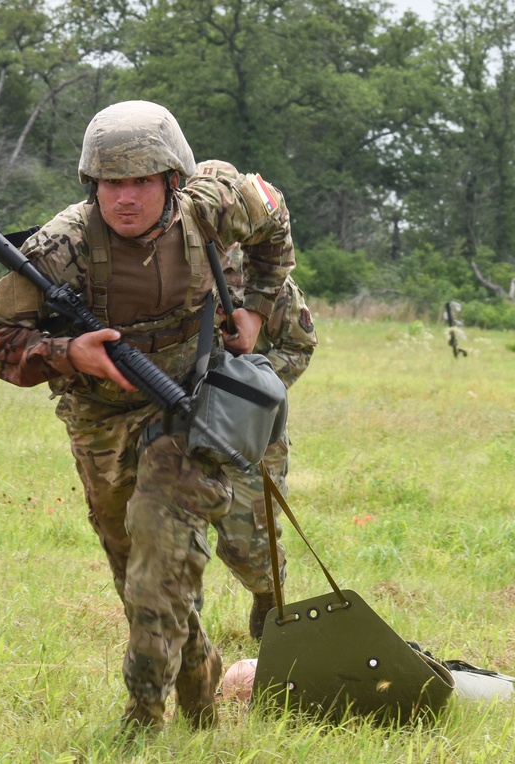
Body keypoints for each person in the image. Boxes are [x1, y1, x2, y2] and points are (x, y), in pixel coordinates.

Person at [0, 101, 294, 736]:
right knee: (136, 569)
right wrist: (67, 353)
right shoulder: (61, 247)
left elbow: (274, 219)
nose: (125, 198)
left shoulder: (214, 203)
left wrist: (256, 302)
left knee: (158, 568)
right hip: (99, 419)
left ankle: (143, 720)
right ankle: (202, 712)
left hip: (187, 405)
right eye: (111, 184)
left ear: (173, 180)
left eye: (141, 181)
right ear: (93, 186)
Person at [193, 160, 318, 640]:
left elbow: (301, 346)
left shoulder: (269, 284)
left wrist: (251, 382)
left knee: (249, 540)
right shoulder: (182, 268)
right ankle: (183, 627)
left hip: (252, 428)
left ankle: (269, 594)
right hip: (184, 414)